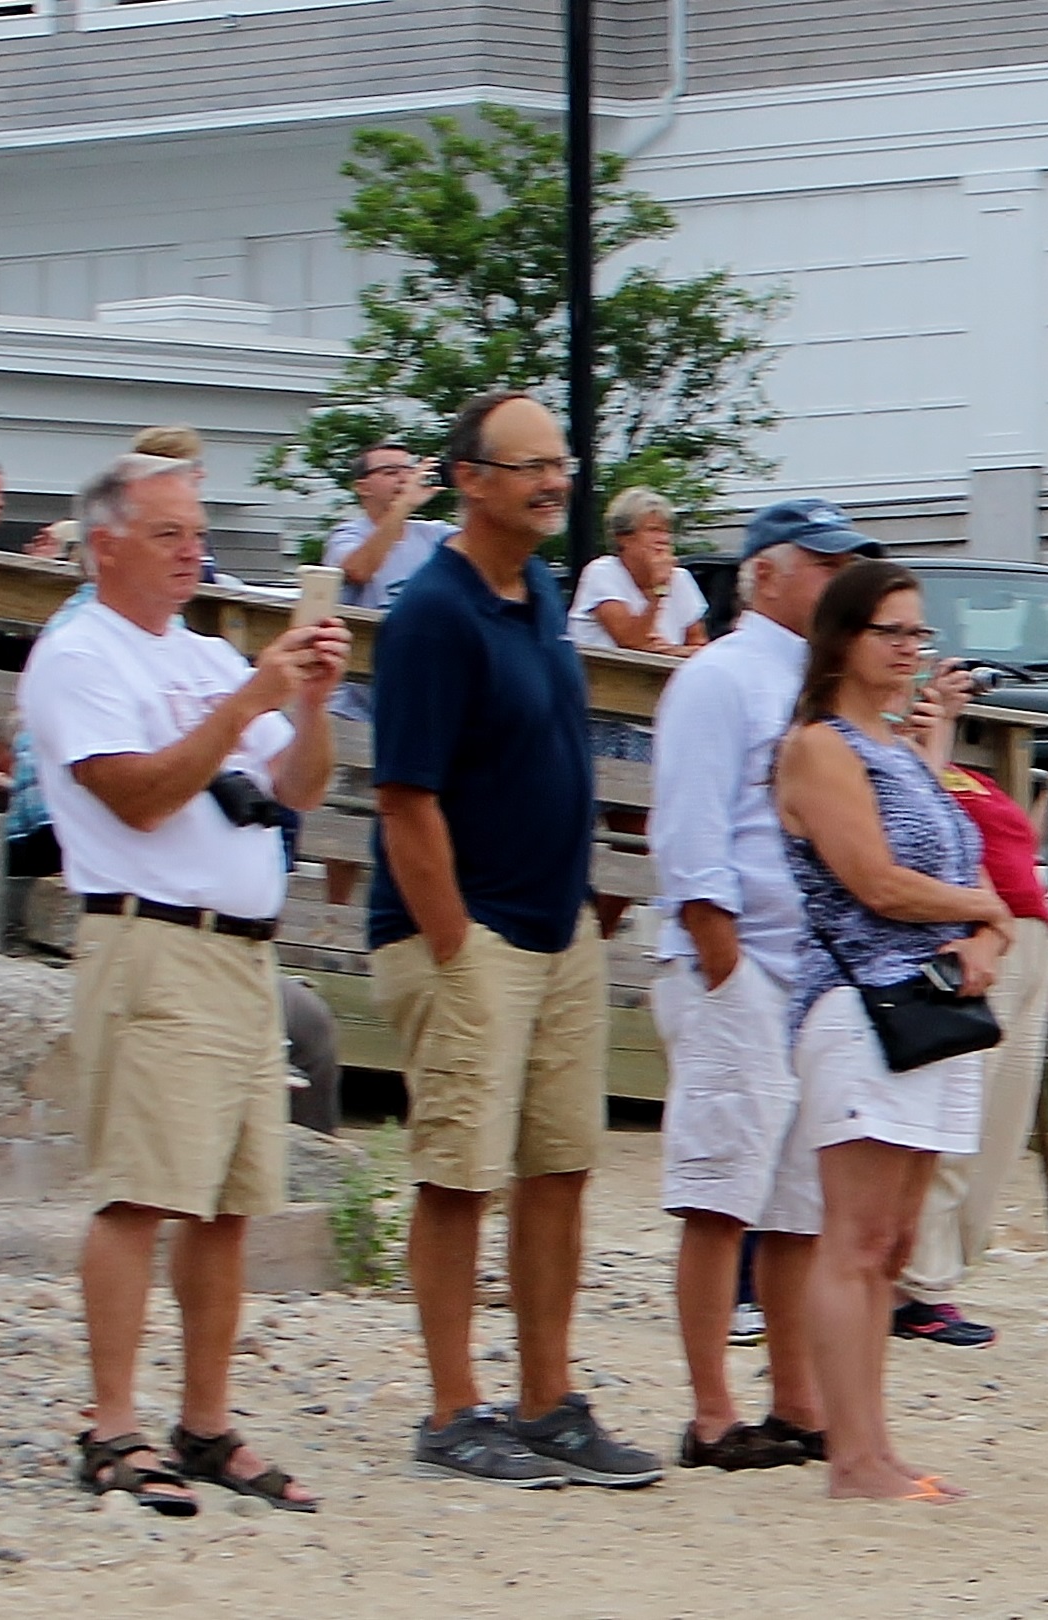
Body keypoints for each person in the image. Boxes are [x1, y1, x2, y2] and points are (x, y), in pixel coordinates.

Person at [39, 451, 347, 1515]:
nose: (191, 553)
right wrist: (251, 698)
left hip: (241, 952)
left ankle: (206, 1423)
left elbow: (299, 789)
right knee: (142, 1191)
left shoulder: (210, 655)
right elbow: (138, 795)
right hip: (152, 941)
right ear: (106, 545)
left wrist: (311, 707)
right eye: (168, 534)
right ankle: (111, 1424)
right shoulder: (79, 655)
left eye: (197, 534)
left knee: (229, 1201)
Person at [370, 391, 661, 1489]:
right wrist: (455, 946)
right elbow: (406, 799)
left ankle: (546, 1403)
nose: (554, 484)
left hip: (556, 929)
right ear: (469, 479)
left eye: (561, 464)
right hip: (469, 935)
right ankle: (452, 1411)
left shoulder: (539, 591)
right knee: (460, 1174)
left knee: (560, 1166)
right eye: (531, 466)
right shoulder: (432, 615)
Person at [645, 497, 875, 1471]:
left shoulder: (818, 688)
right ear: (767, 574)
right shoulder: (723, 676)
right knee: (721, 1189)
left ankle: (795, 1400)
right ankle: (710, 1412)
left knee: (796, 1204)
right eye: (823, 565)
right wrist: (718, 947)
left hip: (805, 969)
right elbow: (690, 820)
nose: (838, 582)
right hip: (739, 961)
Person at [772, 560, 1009, 1502]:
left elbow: (955, 873)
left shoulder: (902, 749)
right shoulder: (818, 746)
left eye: (920, 633)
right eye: (894, 632)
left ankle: (875, 1444)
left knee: (896, 1241)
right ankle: (850, 1456)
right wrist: (984, 910)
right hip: (860, 1004)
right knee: (857, 1235)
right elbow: (872, 880)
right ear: (845, 640)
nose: (912, 649)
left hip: (929, 1008)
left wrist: (983, 930)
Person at [897, 655, 1048, 1349]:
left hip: (1028, 934)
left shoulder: (968, 774)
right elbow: (924, 827)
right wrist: (928, 738)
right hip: (979, 938)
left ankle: (947, 1265)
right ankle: (919, 1284)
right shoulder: (896, 766)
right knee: (959, 1117)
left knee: (1001, 1124)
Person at [317, 441, 450, 617]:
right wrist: (404, 504)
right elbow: (358, 572)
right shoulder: (348, 534)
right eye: (391, 472)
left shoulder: (436, 533)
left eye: (410, 471)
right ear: (363, 487)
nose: (405, 479)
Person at [570, 488, 708, 656]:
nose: (663, 539)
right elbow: (632, 643)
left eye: (666, 531)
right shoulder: (602, 572)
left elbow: (700, 647)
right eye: (653, 530)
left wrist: (671, 650)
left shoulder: (680, 578)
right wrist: (660, 589)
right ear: (624, 538)